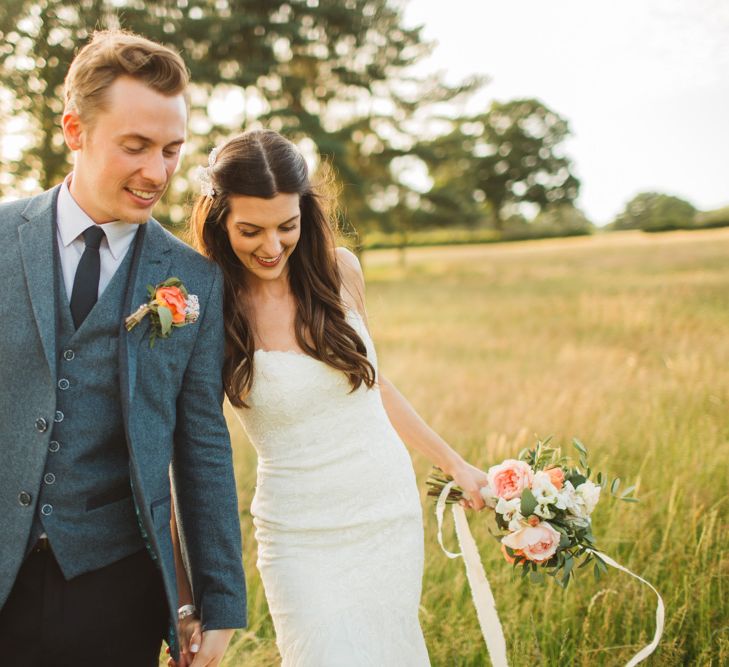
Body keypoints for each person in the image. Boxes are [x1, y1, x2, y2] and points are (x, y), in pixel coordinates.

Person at [179, 129, 488, 666]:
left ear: (306, 213)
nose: (271, 247)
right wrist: (192, 596)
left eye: (287, 226)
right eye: (250, 230)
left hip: (383, 509)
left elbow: (373, 385)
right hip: (298, 532)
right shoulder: (209, 304)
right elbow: (195, 444)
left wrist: (456, 464)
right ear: (219, 221)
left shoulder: (340, 270)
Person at [0, 30, 246, 666]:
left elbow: (203, 446)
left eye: (171, 150)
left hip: (117, 587)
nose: (157, 173)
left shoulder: (194, 280)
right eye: (134, 147)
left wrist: (218, 601)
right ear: (75, 131)